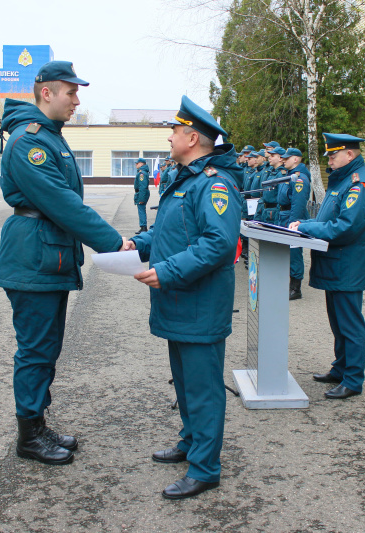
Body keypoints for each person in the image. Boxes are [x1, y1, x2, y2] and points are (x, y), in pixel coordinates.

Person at [0, 61, 127, 466]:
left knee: (46, 347)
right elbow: (61, 202)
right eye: (70, 92)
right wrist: (111, 242)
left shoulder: (50, 137)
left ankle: (37, 423)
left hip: (46, 255)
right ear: (46, 93)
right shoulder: (31, 141)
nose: (77, 100)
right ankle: (29, 436)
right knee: (35, 349)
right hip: (34, 256)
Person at [127, 95, 242, 500]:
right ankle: (191, 442)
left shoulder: (214, 183)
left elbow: (219, 243)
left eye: (174, 131)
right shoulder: (185, 179)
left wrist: (168, 271)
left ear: (192, 137)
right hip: (181, 301)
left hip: (199, 302)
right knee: (185, 381)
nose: (171, 137)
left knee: (203, 387)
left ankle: (206, 468)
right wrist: (135, 244)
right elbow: (170, 234)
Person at [288, 133, 365, 400]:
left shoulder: (359, 185)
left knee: (350, 325)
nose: (329, 158)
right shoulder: (341, 181)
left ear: (350, 154)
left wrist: (305, 226)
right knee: (338, 324)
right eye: (328, 154)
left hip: (347, 266)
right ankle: (340, 369)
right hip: (335, 264)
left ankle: (353, 379)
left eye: (333, 154)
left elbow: (346, 228)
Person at [277, 147, 311, 300]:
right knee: (286, 252)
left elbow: (298, 204)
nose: (283, 160)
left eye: (287, 158)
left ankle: (295, 288)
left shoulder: (299, 178)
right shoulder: (290, 175)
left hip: (292, 218)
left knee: (294, 253)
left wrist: (293, 225)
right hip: (284, 216)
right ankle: (289, 283)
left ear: (296, 159)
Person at [133, 157, 150, 234]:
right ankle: (143, 227)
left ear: (141, 164)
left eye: (137, 163)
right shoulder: (141, 172)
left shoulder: (142, 173)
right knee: (141, 209)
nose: (136, 164)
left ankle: (143, 227)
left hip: (141, 193)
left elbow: (143, 186)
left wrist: (141, 198)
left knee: (141, 209)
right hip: (141, 192)